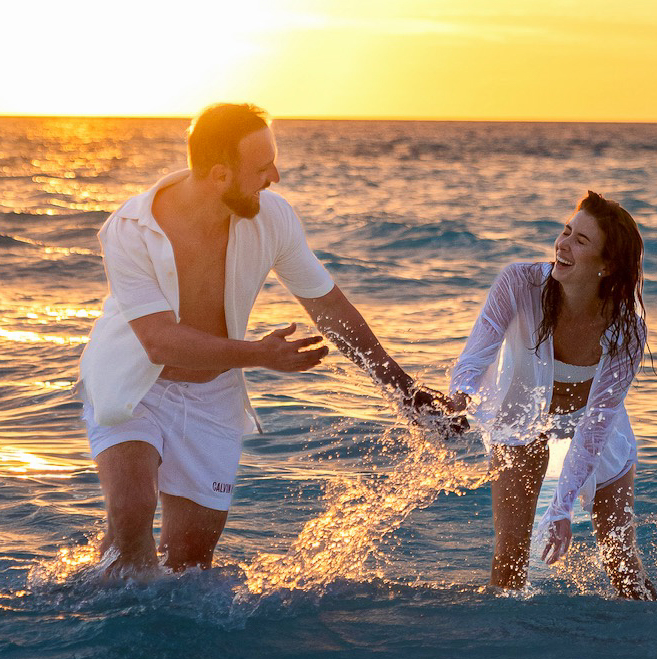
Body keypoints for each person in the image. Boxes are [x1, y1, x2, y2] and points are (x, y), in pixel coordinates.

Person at [76, 103, 451, 576]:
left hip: (213, 396)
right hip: (133, 387)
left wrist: (404, 390)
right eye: (261, 167)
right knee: (130, 522)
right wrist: (259, 354)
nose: (274, 175)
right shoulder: (130, 230)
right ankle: (95, 614)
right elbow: (160, 341)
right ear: (218, 175)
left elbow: (329, 308)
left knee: (188, 563)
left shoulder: (272, 219)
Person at [447, 191, 656, 600]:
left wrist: (561, 508)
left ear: (607, 265)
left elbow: (596, 426)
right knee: (508, 563)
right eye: (566, 231)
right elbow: (474, 358)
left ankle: (652, 632)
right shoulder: (519, 283)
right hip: (520, 419)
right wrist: (461, 399)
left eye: (581, 241)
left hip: (595, 432)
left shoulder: (626, 329)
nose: (563, 244)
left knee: (623, 565)